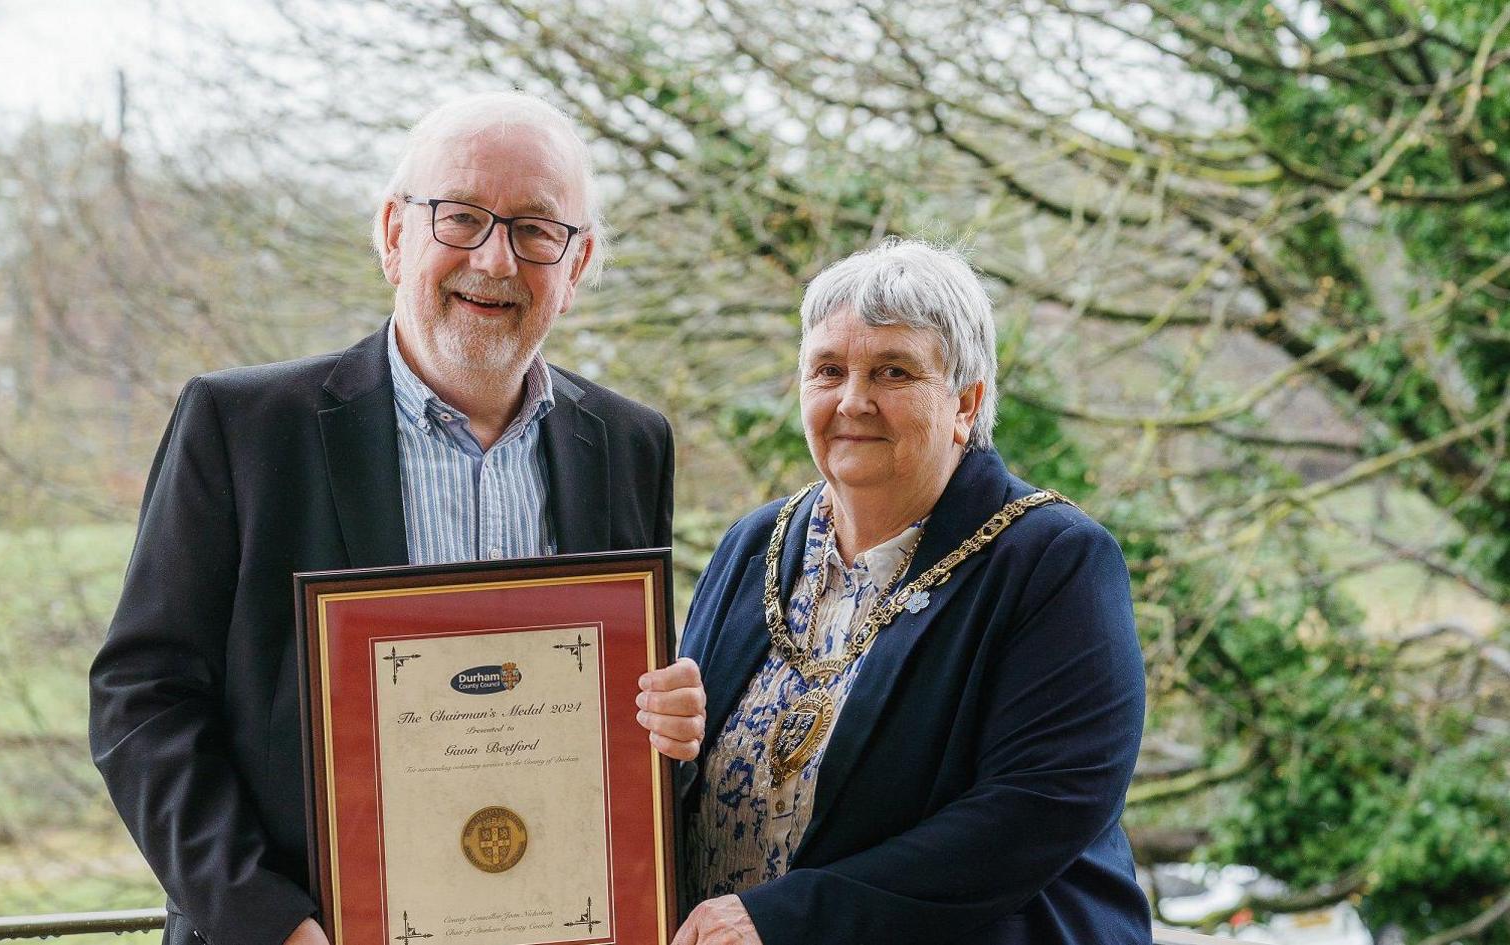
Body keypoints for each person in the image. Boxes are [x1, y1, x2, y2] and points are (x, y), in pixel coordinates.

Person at [88, 92, 707, 945]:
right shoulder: (242, 429)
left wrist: (667, 723)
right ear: (392, 234)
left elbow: (617, 708)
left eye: (537, 229)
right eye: (461, 218)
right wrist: (275, 926)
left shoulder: (631, 443)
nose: (495, 260)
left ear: (578, 263)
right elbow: (141, 706)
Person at [673, 239, 1150, 944]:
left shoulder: (1053, 561)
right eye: (828, 370)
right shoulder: (754, 542)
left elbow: (1036, 808)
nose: (853, 400)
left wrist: (784, 921)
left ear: (965, 402)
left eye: (892, 371)